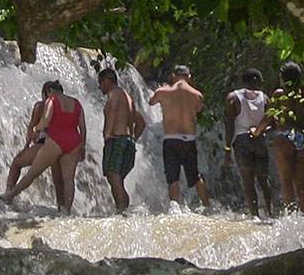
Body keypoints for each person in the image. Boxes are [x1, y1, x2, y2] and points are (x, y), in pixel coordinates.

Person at [1, 81, 86, 212]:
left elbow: (46, 120)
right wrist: (82, 146)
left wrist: (37, 128)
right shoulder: (76, 102)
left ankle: (9, 196)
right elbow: (83, 128)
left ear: (50, 91)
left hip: (56, 140)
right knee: (69, 180)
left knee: (33, 172)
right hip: (74, 141)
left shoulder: (51, 100)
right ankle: (66, 211)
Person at [250, 61, 304, 213]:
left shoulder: (279, 94)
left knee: (286, 182)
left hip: (284, 137)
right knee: (300, 184)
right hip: (301, 137)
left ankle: (290, 219)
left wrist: (256, 132)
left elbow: (268, 117)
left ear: (283, 77)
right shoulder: (302, 94)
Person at [149, 65, 210, 206]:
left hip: (171, 139)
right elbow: (199, 110)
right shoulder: (197, 95)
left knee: (173, 178)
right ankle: (207, 204)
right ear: (189, 77)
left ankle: (174, 208)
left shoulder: (163, 92)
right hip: (189, 139)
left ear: (173, 76)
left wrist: (164, 88)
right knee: (195, 176)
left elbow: (151, 102)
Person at [5, 81, 66, 207]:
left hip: (44, 144)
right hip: (62, 145)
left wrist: (26, 146)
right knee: (58, 180)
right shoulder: (67, 105)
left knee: (17, 163)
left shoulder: (41, 105)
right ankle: (63, 208)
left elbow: (32, 126)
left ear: (45, 93)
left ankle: (8, 193)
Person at [224, 68, 273, 217]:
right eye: (261, 79)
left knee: (248, 182)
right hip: (260, 139)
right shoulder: (265, 98)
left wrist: (227, 148)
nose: (262, 82)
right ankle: (271, 214)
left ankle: (255, 216)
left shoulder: (233, 97)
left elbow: (230, 124)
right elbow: (273, 123)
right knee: (264, 180)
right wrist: (260, 130)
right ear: (255, 80)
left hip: (241, 141)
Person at [98, 68, 146, 211]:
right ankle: (122, 211)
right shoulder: (128, 98)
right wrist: (132, 139)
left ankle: (123, 211)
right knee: (117, 179)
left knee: (113, 176)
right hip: (127, 141)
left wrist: (107, 133)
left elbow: (112, 109)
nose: (99, 87)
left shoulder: (114, 94)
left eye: (100, 83)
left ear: (107, 81)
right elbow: (141, 123)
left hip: (117, 138)